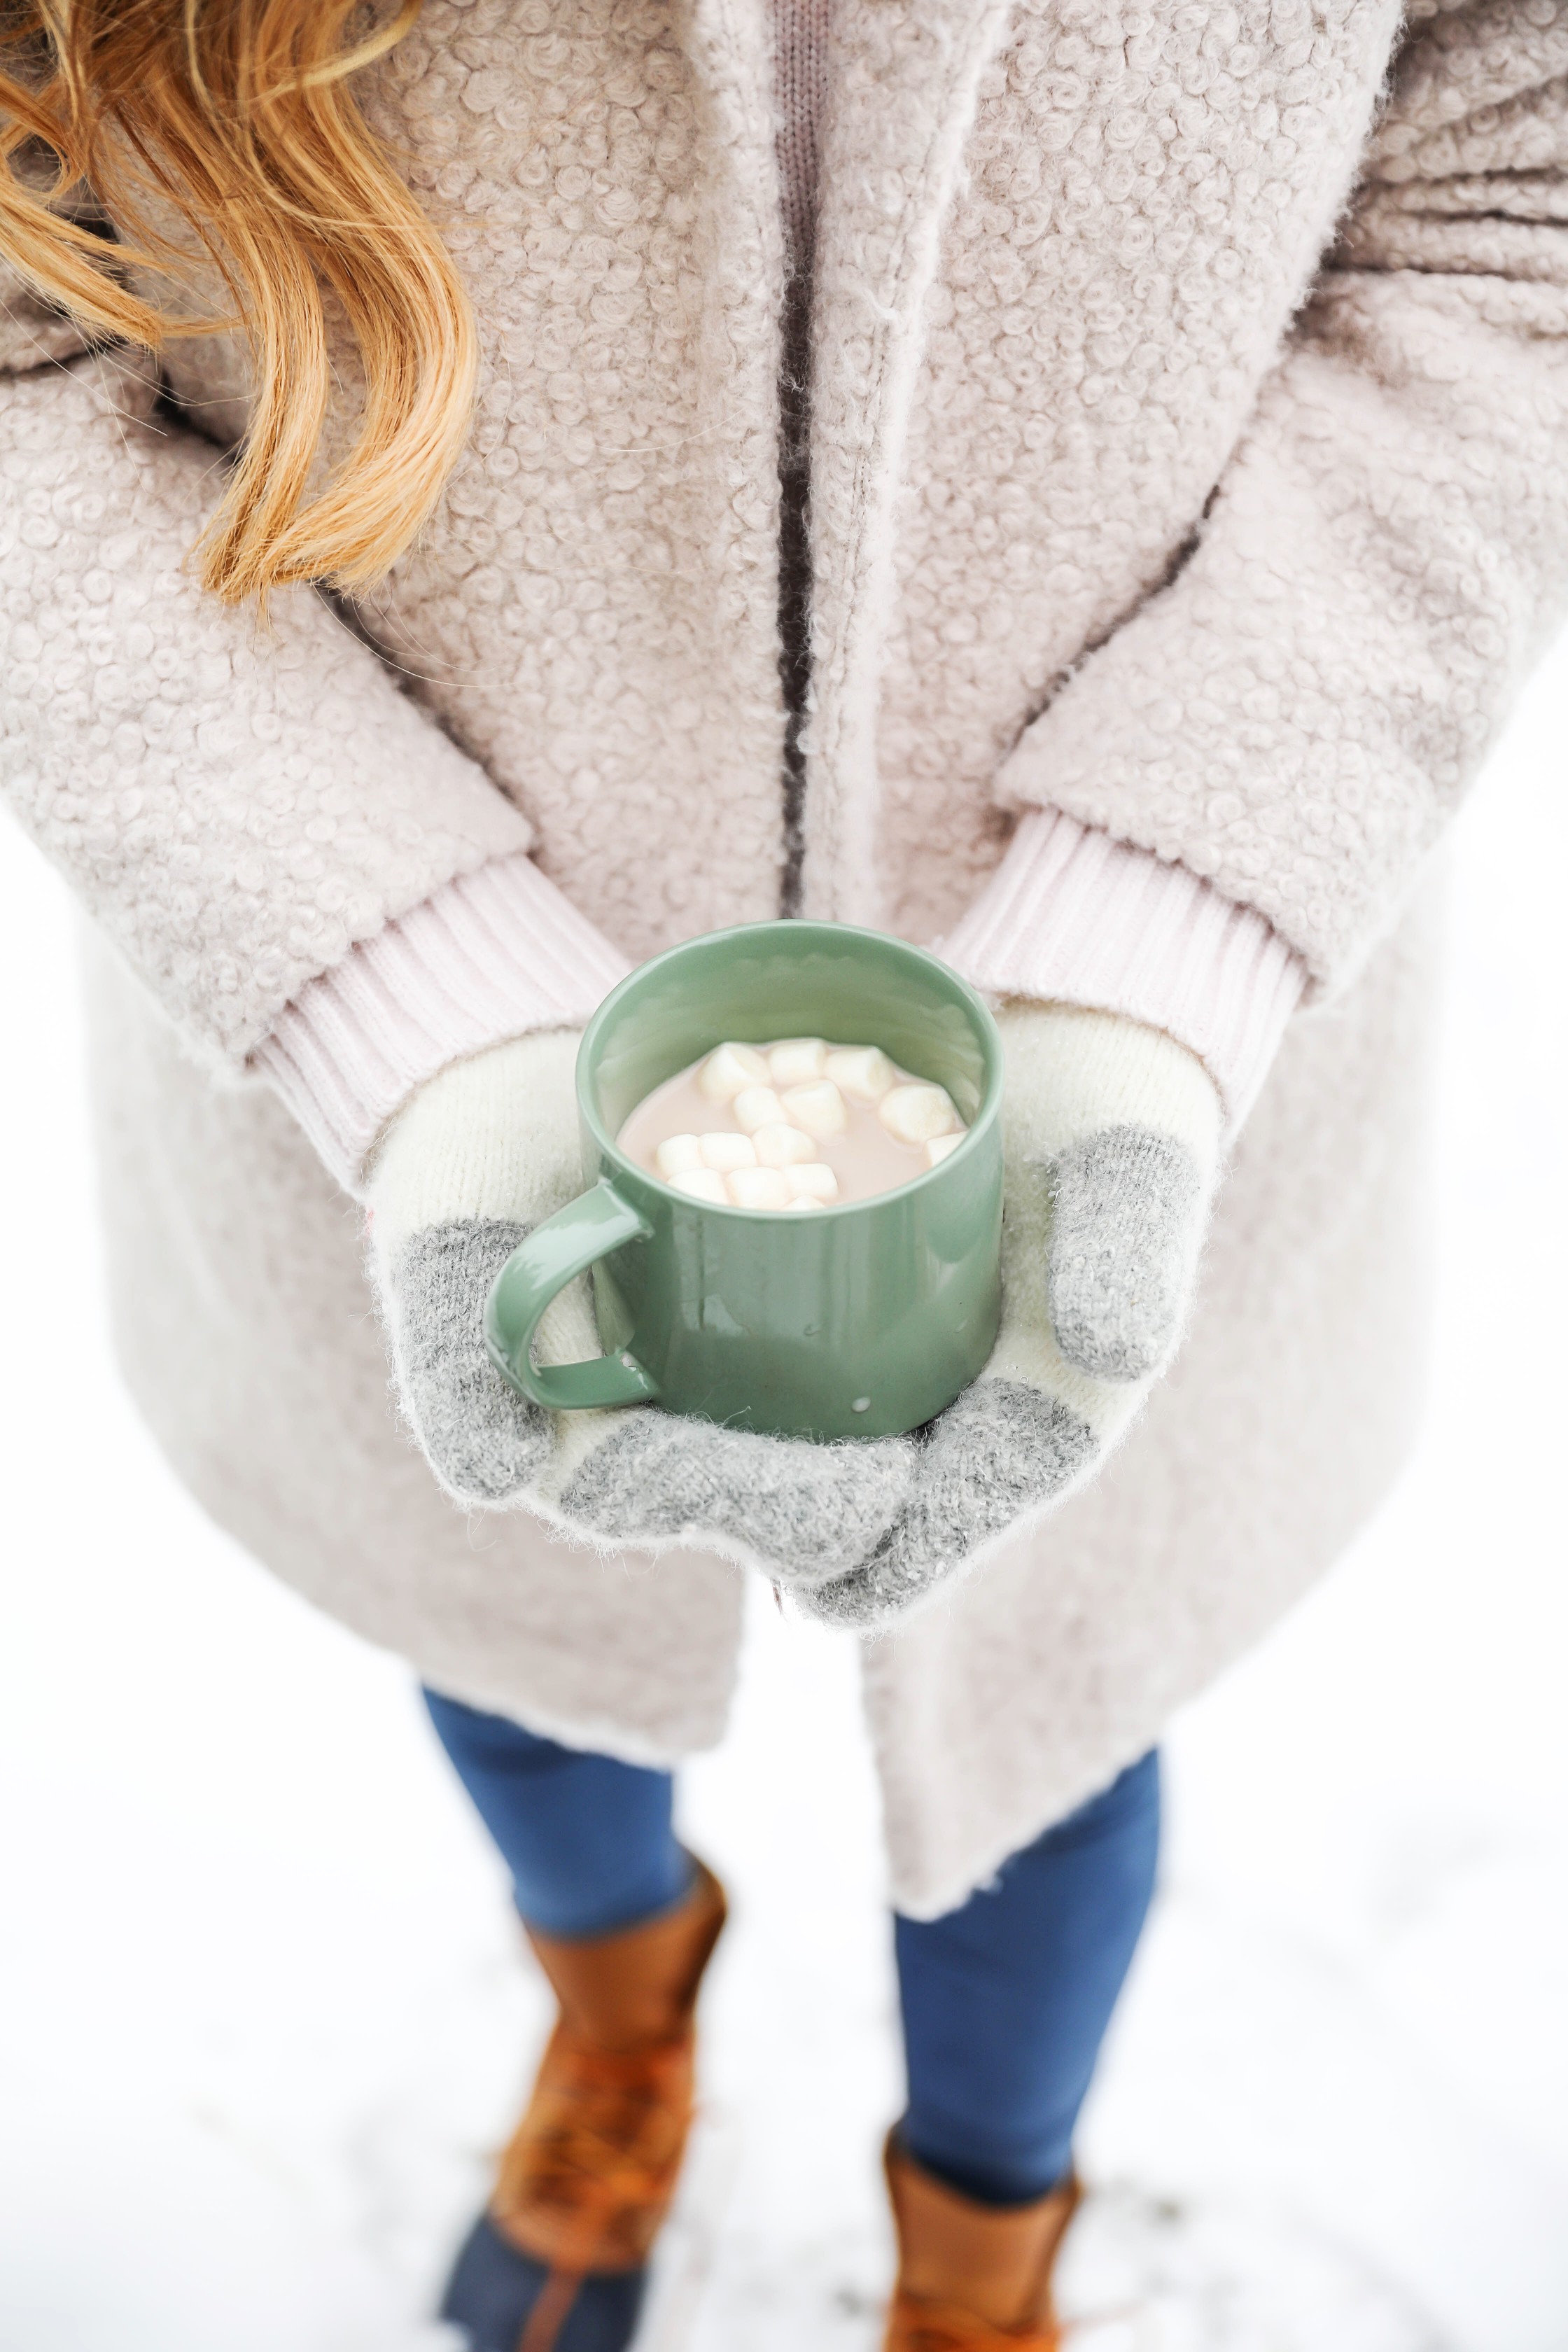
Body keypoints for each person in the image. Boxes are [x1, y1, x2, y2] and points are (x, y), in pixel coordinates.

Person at [3, 0, 1564, 2345]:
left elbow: (1515, 172)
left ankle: (980, 2251)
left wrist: (1165, 929)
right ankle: (624, 2029)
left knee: (1046, 1719)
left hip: (1170, 1041)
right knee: (519, 1640)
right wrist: (397, 995)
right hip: (360, 1028)